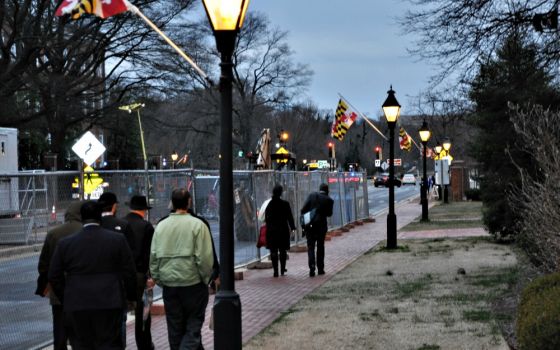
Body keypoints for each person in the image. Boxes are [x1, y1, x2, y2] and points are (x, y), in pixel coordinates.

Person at [48, 201, 137, 349]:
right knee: (109, 343)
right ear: (100, 217)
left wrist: (66, 296)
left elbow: (54, 275)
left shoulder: (66, 244)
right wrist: (129, 297)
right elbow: (129, 272)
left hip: (77, 302)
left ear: (82, 218)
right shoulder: (117, 240)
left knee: (81, 344)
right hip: (110, 300)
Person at [149, 189, 214, 350]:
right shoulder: (198, 225)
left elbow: (154, 256)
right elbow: (205, 258)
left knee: (175, 329)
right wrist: (205, 278)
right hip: (193, 283)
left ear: (172, 202)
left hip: (170, 284)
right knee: (193, 327)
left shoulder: (161, 226)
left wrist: (158, 278)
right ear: (189, 202)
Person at [37, 201, 83, 350]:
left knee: (60, 331)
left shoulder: (53, 234)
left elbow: (43, 264)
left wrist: (46, 284)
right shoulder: (86, 231)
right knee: (81, 333)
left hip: (58, 291)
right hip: (83, 291)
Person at [98, 191, 135, 347]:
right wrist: (131, 294)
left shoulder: (93, 226)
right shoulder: (123, 226)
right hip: (116, 287)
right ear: (114, 207)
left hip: (94, 290)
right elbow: (129, 262)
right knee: (117, 329)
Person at [122, 195, 155, 350]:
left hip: (122, 275)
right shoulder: (146, 226)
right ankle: (144, 345)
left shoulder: (121, 223)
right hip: (141, 275)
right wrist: (151, 276)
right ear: (144, 210)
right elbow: (150, 253)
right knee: (143, 315)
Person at [301, 183, 334, 277]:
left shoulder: (312, 195)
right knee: (320, 246)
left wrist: (305, 221)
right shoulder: (329, 200)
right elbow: (329, 214)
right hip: (321, 227)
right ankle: (320, 269)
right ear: (327, 191)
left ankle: (311, 267)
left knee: (311, 247)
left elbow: (303, 209)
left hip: (310, 226)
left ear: (319, 189)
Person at [264, 185, 296, 277]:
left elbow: (266, 218)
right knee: (282, 250)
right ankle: (282, 269)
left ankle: (275, 271)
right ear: (281, 193)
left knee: (273, 251)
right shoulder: (285, 204)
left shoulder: (269, 205)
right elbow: (290, 217)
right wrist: (293, 227)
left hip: (272, 231)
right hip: (283, 230)